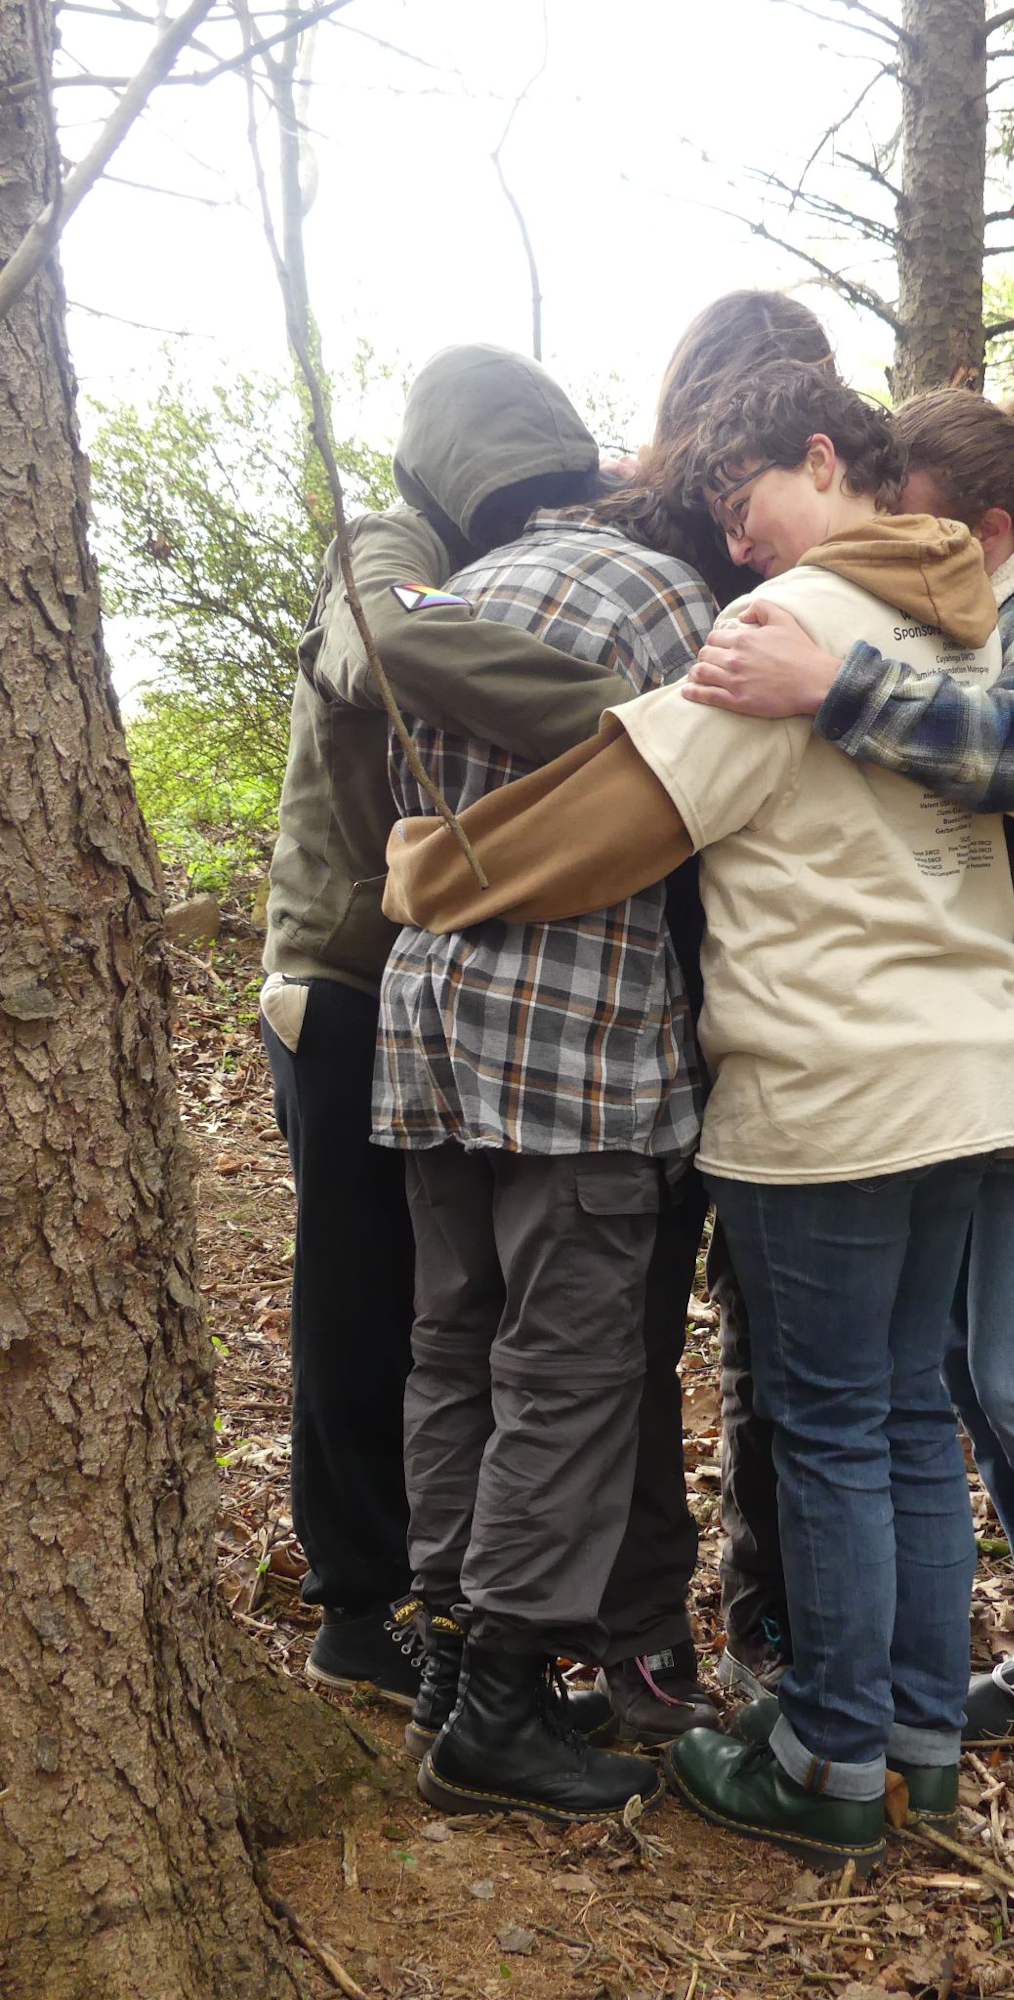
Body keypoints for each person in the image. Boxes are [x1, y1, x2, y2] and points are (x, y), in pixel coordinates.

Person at [381, 363, 1014, 1873]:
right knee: (902, 1423)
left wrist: (431, 870)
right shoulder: (967, 623)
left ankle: (826, 1760)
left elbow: (619, 807)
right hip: (977, 1067)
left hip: (834, 1082)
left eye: (743, 508)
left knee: (829, 1428)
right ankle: (915, 1749)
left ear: (825, 459)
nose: (733, 550)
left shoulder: (792, 629)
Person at [681, 389, 1014, 1805]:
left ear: (986, 526)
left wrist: (830, 688)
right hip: (973, 1074)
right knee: (970, 1391)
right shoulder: (977, 614)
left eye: (910, 514)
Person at [261, 343, 623, 1705]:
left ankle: (437, 1591)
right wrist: (633, 721)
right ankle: (356, 1604)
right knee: (358, 1301)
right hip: (343, 979)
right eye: (519, 494)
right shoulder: (387, 545)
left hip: (420, 984)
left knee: (434, 1303)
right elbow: (397, 644)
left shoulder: (471, 548)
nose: (535, 522)